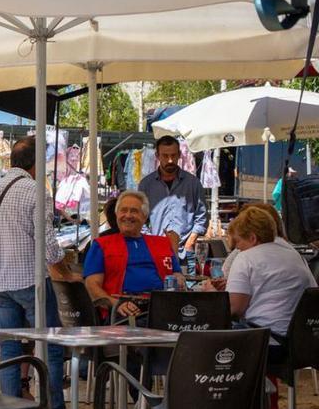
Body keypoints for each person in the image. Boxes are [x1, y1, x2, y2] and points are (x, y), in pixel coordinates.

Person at [0, 136, 81, 409]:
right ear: (37, 163)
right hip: (31, 282)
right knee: (50, 349)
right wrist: (63, 264)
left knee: (10, 350)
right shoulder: (36, 193)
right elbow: (50, 249)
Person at [205, 206, 316, 339]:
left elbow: (234, 308)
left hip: (266, 337)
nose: (237, 247)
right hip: (302, 339)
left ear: (253, 238)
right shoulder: (294, 255)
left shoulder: (246, 257)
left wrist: (211, 294)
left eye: (239, 241)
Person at [83, 190, 183, 320]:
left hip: (162, 306)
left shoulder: (162, 243)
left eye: (134, 211)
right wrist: (116, 304)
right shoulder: (101, 245)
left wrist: (179, 279)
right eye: (123, 210)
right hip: (122, 310)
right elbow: (92, 286)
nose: (128, 215)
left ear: (144, 217)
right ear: (116, 214)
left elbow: (177, 274)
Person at [139, 135, 207, 272]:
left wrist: (190, 242)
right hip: (156, 252)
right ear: (157, 156)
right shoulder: (146, 184)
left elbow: (202, 216)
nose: (170, 160)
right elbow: (140, 218)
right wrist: (151, 241)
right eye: (165, 156)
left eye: (173, 155)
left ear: (179, 155)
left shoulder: (193, 183)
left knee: (186, 291)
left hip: (185, 253)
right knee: (158, 290)